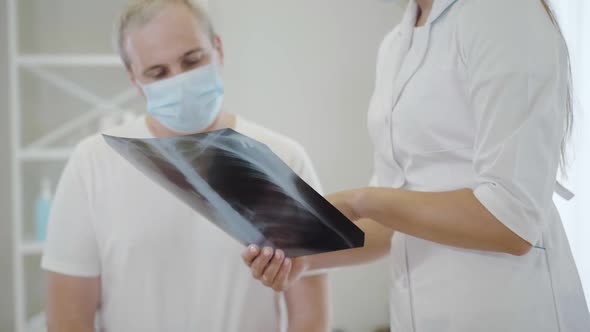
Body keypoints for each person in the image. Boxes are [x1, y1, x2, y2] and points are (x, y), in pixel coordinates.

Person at [243, 0, 590, 331]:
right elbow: (389, 226)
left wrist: (358, 201)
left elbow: (512, 219)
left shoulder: (503, 14)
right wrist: (304, 259)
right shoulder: (396, 43)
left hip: (512, 312)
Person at [41, 1, 330, 331]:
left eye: (192, 60)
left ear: (217, 49)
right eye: (158, 73)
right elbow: (68, 318)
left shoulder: (283, 159)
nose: (179, 80)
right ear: (135, 79)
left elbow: (310, 317)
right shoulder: (93, 163)